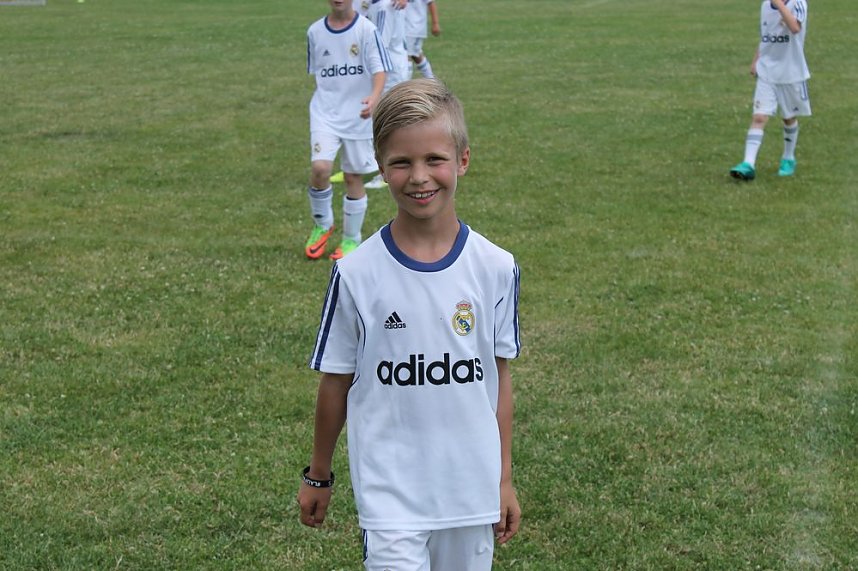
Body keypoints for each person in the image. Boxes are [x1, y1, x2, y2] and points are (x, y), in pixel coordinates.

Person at [297, 79, 522, 570]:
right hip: (391, 495)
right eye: (402, 163)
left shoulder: (495, 267)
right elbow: (336, 381)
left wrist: (502, 479)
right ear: (381, 167)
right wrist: (319, 474)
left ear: (463, 159)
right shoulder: (356, 273)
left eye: (435, 160)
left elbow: (498, 378)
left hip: (470, 492)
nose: (420, 177)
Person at [304, 0, 391, 260]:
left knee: (353, 177)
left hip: (358, 114)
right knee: (320, 169)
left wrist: (374, 97)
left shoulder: (366, 29)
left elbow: (380, 70)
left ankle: (351, 240)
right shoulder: (314, 32)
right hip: (325, 113)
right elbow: (319, 74)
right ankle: (322, 223)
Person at [730, 0, 810, 181]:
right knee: (759, 117)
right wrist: (756, 60)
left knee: (788, 117)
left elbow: (795, 28)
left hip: (791, 72)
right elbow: (766, 35)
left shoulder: (798, 3)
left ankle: (788, 158)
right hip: (767, 70)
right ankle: (748, 164)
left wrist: (780, 5)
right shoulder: (765, 5)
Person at [405, 0, 440, 79]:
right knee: (416, 55)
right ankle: (432, 81)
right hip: (404, 27)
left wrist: (435, 23)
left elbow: (431, 2)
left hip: (414, 27)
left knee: (406, 56)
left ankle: (404, 84)